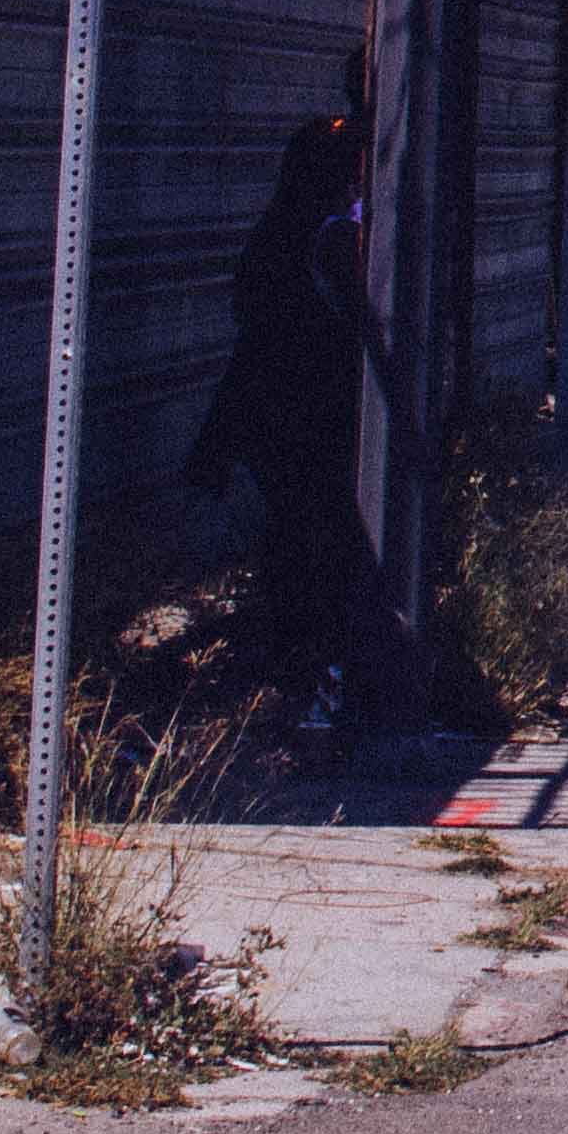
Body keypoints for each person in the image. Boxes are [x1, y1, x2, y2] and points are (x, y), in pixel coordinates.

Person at [187, 56, 369, 723]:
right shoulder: (333, 200)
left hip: (285, 402)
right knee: (311, 541)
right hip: (304, 403)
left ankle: (303, 669)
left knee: (300, 539)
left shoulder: (315, 177)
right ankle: (307, 676)